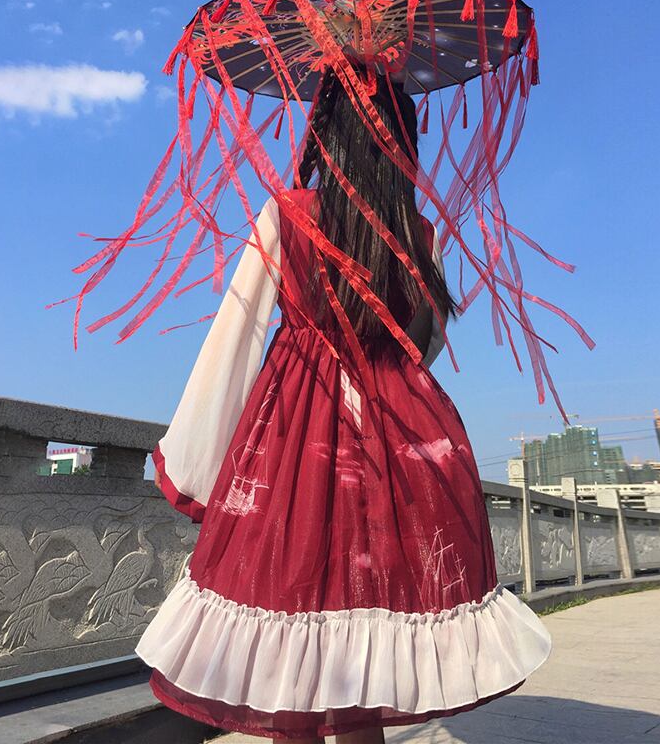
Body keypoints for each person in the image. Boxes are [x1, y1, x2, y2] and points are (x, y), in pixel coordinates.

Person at [135, 66, 553, 742]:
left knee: (291, 615)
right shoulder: (420, 233)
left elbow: (235, 339)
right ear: (403, 143)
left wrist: (196, 462)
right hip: (399, 437)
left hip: (297, 431)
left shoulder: (287, 214)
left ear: (326, 135)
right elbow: (425, 342)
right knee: (372, 633)